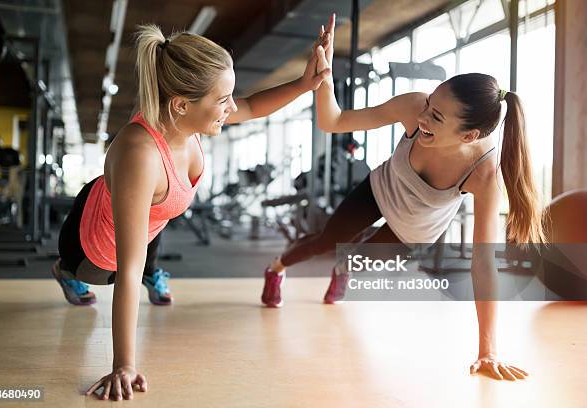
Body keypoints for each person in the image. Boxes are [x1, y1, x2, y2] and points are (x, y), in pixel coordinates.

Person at [52, 23, 331, 400]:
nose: (232, 107)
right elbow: (128, 271)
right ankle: (65, 271)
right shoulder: (141, 156)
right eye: (223, 99)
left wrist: (304, 84)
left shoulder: (187, 117)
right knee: (110, 274)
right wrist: (124, 364)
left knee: (147, 238)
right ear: (181, 104)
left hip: (147, 212)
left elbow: (249, 107)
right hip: (90, 244)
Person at [261, 14, 543, 381]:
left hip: (414, 229)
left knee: (356, 261)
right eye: (429, 105)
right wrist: (324, 78)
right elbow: (334, 121)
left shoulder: (485, 175)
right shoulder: (414, 107)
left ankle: (344, 268)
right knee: (325, 241)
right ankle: (276, 269)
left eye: (436, 117)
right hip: (380, 191)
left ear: (469, 137)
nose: (423, 116)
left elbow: (484, 264)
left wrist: (487, 351)